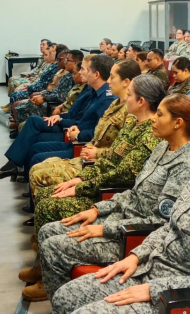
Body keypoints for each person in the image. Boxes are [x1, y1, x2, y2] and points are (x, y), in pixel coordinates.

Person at [50, 108, 190, 314]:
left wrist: (154, 289)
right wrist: (136, 255)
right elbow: (170, 225)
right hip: (151, 269)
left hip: (177, 297)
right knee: (64, 298)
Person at [26, 95, 190, 301]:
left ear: (177, 123)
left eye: (160, 115)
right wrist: (97, 210)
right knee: (48, 231)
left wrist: (103, 228)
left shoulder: (185, 164)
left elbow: (159, 222)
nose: (154, 119)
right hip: (118, 218)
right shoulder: (162, 147)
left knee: (53, 246)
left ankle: (61, 297)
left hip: (132, 236)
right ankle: (56, 288)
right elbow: (133, 192)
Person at [31, 74, 164, 234]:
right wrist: (80, 178)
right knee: (45, 194)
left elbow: (123, 175)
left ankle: (51, 247)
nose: (125, 99)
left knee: (47, 205)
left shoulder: (150, 133)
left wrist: (82, 187)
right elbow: (107, 160)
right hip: (97, 183)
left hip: (109, 194)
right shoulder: (131, 122)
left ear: (141, 101)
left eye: (129, 95)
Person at [24, 60, 138, 218]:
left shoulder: (129, 111)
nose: (109, 81)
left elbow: (121, 154)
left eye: (112, 77)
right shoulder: (115, 104)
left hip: (96, 165)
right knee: (37, 165)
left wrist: (95, 151)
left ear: (126, 82)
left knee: (39, 173)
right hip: (87, 157)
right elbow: (98, 133)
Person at [0, 54, 116, 181]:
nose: (82, 73)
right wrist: (60, 117)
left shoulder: (105, 99)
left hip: (77, 141)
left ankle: (15, 167)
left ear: (96, 74)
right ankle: (15, 167)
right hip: (72, 130)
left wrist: (71, 129)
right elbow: (77, 115)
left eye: (84, 69)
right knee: (33, 127)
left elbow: (94, 131)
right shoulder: (93, 91)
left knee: (35, 140)